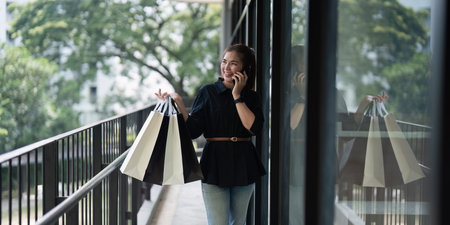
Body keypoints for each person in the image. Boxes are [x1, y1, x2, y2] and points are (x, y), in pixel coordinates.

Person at [155, 44, 265, 225]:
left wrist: (237, 95)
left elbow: (252, 128)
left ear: (246, 68)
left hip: (244, 162)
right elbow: (193, 131)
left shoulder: (251, 97)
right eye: (224, 62)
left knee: (239, 223)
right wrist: (179, 103)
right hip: (215, 163)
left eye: (233, 63)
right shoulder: (208, 92)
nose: (227, 68)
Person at [288, 45, 388, 225]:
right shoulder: (287, 92)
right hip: (294, 164)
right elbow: (290, 125)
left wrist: (363, 105)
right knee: (295, 217)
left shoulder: (328, 91)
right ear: (295, 67)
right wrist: (303, 96)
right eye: (303, 62)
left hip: (322, 162)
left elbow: (346, 128)